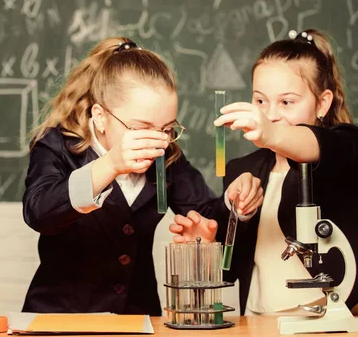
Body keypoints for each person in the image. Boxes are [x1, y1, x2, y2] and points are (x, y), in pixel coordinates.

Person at [169, 29, 358, 316]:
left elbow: (315, 145)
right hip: (261, 322)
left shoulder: (348, 147)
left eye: (287, 102)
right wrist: (212, 238)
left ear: (322, 103)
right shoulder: (242, 170)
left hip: (339, 319)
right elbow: (230, 268)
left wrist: (270, 133)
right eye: (260, 101)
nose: (270, 114)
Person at [21, 37, 226, 316]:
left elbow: (208, 215)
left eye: (167, 129)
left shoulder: (166, 158)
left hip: (137, 319)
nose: (158, 141)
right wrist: (111, 164)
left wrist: (232, 210)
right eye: (141, 128)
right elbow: (38, 212)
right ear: (101, 116)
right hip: (60, 320)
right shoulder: (57, 145)